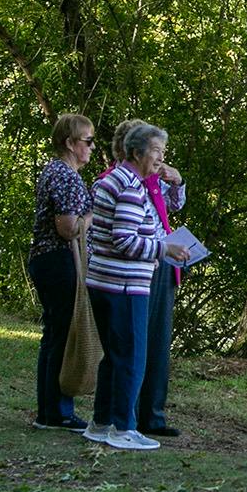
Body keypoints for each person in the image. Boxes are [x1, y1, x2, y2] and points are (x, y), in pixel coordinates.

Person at [84, 122, 191, 450]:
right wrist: (165, 248)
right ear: (137, 152)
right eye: (157, 151)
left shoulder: (116, 180)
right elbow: (125, 240)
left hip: (103, 279)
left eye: (162, 152)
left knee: (114, 357)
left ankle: (100, 422)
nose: (161, 159)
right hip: (125, 284)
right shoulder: (130, 186)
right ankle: (123, 427)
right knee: (131, 356)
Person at [29, 113, 96, 431]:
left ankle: (49, 410)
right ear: (70, 143)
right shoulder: (65, 176)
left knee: (54, 335)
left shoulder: (59, 172)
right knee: (62, 336)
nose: (92, 148)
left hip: (49, 260)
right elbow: (68, 228)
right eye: (88, 141)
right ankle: (57, 411)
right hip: (58, 260)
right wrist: (91, 216)